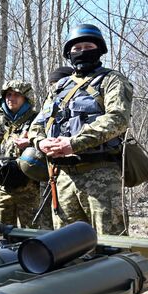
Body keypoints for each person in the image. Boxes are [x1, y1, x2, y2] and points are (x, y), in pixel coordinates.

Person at [29, 24, 132, 235]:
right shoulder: (60, 87)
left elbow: (118, 119)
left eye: (88, 45)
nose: (82, 51)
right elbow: (38, 124)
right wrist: (40, 142)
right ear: (69, 53)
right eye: (76, 48)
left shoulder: (112, 80)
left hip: (101, 175)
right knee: (66, 249)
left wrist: (73, 143)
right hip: (63, 178)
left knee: (111, 247)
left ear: (99, 49)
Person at [0, 80, 48, 229]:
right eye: (8, 95)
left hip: (29, 188)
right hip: (1, 187)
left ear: (26, 98)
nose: (11, 98)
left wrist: (30, 143)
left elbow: (48, 147)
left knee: (32, 234)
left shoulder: (38, 120)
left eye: (17, 95)